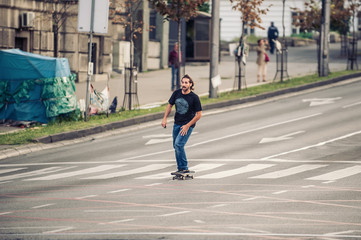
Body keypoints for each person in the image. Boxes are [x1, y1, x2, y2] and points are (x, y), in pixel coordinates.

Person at [161, 74, 202, 173]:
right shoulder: (177, 93)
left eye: (186, 83)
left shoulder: (194, 97)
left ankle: (184, 168)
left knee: (179, 144)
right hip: (177, 123)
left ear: (190, 84)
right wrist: (164, 118)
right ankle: (180, 168)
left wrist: (187, 126)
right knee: (176, 146)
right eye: (182, 82)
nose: (183, 84)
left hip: (187, 125)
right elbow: (169, 105)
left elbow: (199, 115)